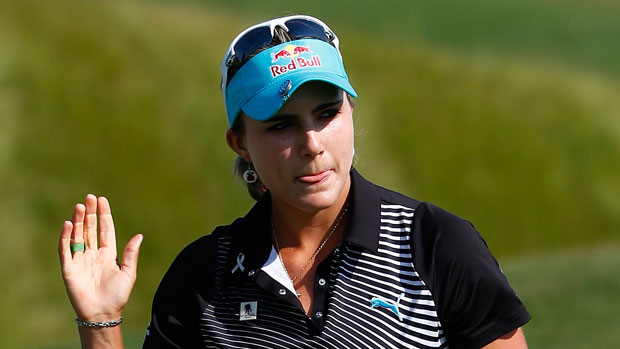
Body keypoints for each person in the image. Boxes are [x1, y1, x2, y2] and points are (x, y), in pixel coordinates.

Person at [58, 15, 530, 348]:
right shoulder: (202, 277)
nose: (311, 142)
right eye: (281, 124)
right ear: (239, 143)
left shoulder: (436, 244)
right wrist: (100, 324)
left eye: (327, 114)